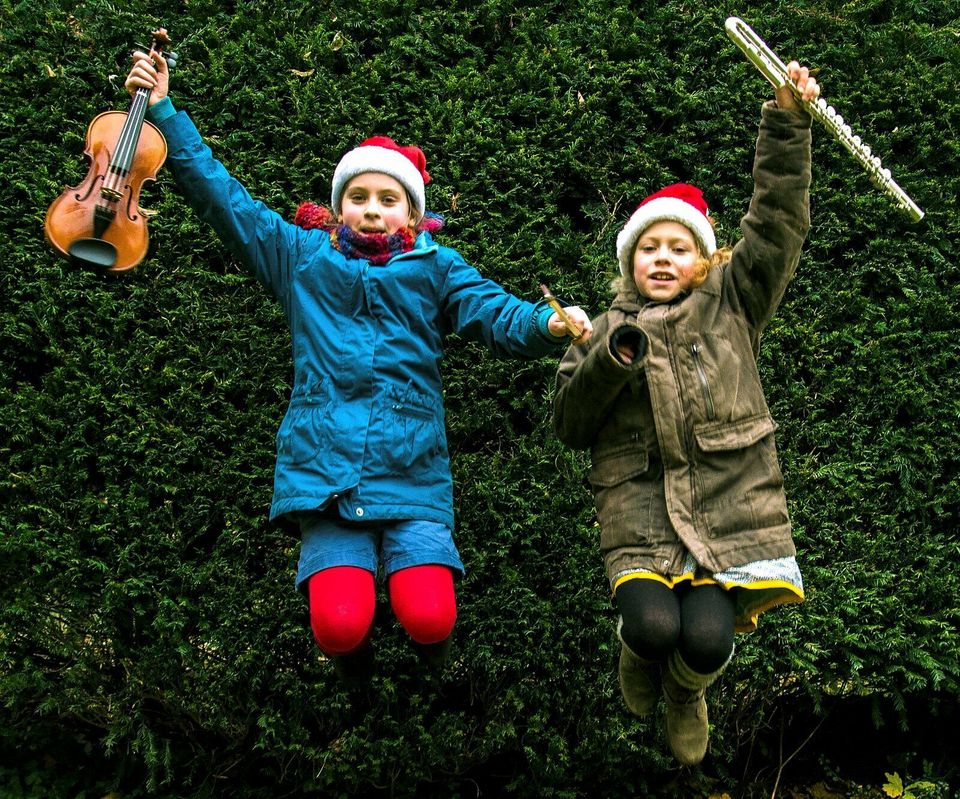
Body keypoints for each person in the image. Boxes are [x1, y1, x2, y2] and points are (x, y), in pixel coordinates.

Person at [124, 50, 593, 686]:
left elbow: (495, 313)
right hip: (325, 473)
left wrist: (548, 325)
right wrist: (162, 112)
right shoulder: (301, 259)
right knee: (339, 624)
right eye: (360, 196)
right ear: (340, 205)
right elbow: (224, 198)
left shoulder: (437, 267)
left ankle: (433, 667)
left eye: (389, 198)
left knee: (430, 616)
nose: (373, 208)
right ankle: (355, 676)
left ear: (413, 211)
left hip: (412, 470)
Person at [552, 62, 819, 765]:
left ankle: (685, 690)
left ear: (704, 258)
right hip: (639, 510)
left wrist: (787, 122)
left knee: (704, 639)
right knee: (647, 622)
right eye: (649, 247)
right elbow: (570, 426)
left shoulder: (734, 303)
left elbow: (777, 222)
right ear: (630, 261)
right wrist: (610, 357)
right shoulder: (603, 327)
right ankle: (640, 653)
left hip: (729, 505)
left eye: (679, 247)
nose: (663, 257)